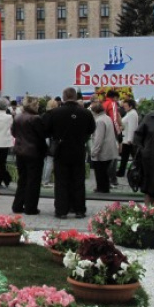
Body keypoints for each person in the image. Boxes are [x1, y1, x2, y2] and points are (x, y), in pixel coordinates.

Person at [43, 88, 96, 219]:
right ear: (75, 96)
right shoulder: (86, 113)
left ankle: (61, 210)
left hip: (61, 151)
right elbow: (91, 129)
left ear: (64, 96)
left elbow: (46, 130)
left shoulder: (55, 113)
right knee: (78, 181)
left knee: (61, 181)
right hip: (78, 150)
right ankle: (79, 209)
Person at [11, 96, 46, 215]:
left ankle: (17, 205)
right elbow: (42, 136)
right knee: (33, 181)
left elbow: (13, 133)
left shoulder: (17, 117)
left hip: (20, 151)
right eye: (37, 104)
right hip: (33, 152)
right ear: (34, 105)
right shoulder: (36, 118)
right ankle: (31, 207)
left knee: (23, 179)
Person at [90, 102, 119, 194]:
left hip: (102, 152)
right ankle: (105, 188)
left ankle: (101, 189)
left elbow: (99, 138)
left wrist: (94, 152)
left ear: (95, 111)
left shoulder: (99, 121)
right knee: (105, 172)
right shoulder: (107, 118)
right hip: (110, 150)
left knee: (100, 172)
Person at [116, 99, 139, 177]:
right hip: (127, 139)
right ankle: (121, 172)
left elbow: (132, 127)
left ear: (131, 106)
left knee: (126, 157)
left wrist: (130, 139)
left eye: (125, 106)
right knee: (126, 157)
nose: (124, 107)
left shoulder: (132, 114)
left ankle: (121, 172)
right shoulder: (130, 113)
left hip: (128, 140)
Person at [41, 99, 60, 188]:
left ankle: (43, 180)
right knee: (50, 161)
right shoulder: (55, 116)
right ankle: (46, 181)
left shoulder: (44, 115)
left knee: (45, 161)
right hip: (52, 139)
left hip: (44, 139)